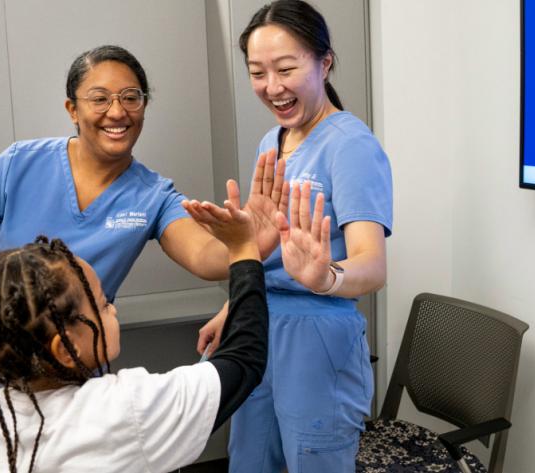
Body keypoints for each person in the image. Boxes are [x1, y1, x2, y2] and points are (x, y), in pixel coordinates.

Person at [0, 45, 286, 473]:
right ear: (72, 108)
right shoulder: (17, 166)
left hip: (68, 376)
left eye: (131, 97)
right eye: (99, 98)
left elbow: (206, 255)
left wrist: (248, 245)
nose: (117, 111)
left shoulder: (152, 195)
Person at [193, 1, 393, 471]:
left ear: (324, 63)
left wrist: (326, 277)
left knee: (312, 460)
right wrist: (234, 307)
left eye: (286, 68)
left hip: (318, 336)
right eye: (257, 72)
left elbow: (373, 265)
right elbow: (264, 250)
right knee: (250, 458)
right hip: (262, 324)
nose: (272, 87)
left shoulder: (350, 145)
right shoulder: (273, 142)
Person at [0, 215, 266, 471]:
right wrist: (243, 250)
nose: (112, 309)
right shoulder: (122, 410)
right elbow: (243, 359)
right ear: (65, 349)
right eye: (101, 305)